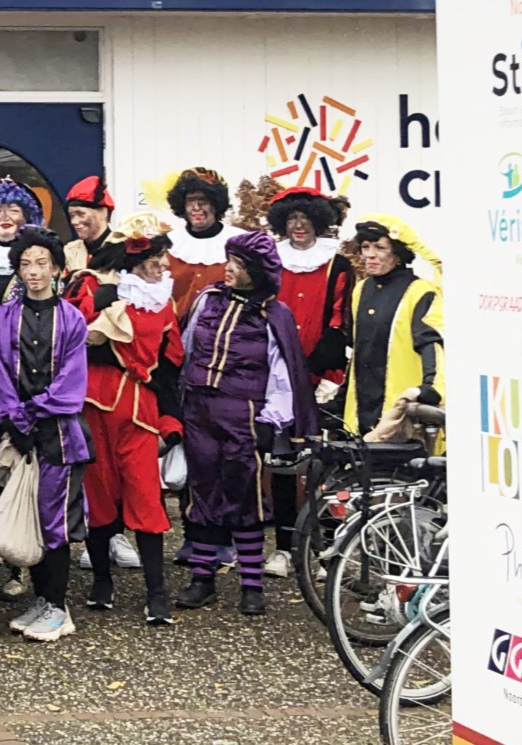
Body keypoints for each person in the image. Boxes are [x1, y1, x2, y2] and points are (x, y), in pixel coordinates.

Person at [176, 230, 317, 616]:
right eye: (229, 262)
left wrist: (272, 420)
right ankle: (202, 578)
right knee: (202, 490)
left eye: (237, 265)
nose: (229, 270)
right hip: (200, 412)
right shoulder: (207, 300)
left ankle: (251, 585)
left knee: (245, 496)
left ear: (255, 271)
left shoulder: (275, 314)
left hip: (244, 417)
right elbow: (185, 351)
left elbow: (282, 372)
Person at [77, 212, 184, 626]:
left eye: (162, 262)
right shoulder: (103, 295)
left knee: (145, 497)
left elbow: (171, 366)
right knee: (101, 495)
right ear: (135, 265)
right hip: (95, 405)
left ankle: (157, 595)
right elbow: (76, 343)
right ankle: (102, 581)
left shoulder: (165, 305)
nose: (160, 269)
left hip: (140, 412)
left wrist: (171, 419)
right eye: (153, 262)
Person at [0, 226, 90, 643]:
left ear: (57, 269)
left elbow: (71, 380)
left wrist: (35, 412)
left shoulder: (72, 318)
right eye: (26, 264)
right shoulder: (4, 316)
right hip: (22, 433)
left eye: (41, 263)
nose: (33, 272)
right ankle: (42, 600)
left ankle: (58, 607)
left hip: (60, 435)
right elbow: (1, 372)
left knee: (55, 520)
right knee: (31, 514)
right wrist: (16, 417)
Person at [262, 186, 356, 576]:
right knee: (283, 461)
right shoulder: (271, 262)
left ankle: (325, 548)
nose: (298, 227)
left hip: (321, 378)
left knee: (326, 465)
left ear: (318, 222)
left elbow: (340, 321)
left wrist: (314, 369)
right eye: (291, 221)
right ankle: (284, 547)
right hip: (278, 377)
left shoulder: (337, 265)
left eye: (305, 220)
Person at [344, 214, 445, 439]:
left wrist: (429, 389)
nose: (370, 254)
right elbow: (358, 350)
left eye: (380, 247)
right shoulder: (360, 289)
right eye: (365, 247)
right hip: (362, 411)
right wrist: (341, 398)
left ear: (398, 254)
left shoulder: (420, 291)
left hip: (402, 412)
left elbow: (431, 344)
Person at [158, 167, 232, 323]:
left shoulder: (237, 241)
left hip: (222, 333)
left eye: (203, 201)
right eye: (191, 201)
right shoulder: (169, 243)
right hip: (175, 333)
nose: (196, 207)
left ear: (215, 204)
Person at [62, 176, 117, 282]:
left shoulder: (123, 249)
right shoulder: (69, 251)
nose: (74, 222)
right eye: (72, 215)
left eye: (81, 214)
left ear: (103, 212)